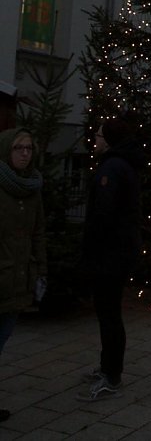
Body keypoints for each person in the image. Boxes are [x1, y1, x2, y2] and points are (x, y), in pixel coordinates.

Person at [78, 117, 144, 401]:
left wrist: (91, 249)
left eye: (99, 136)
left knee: (109, 314)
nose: (94, 139)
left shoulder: (112, 168)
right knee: (109, 313)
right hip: (118, 252)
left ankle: (112, 375)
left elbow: (103, 215)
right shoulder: (121, 164)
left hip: (110, 254)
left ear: (109, 141)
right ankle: (108, 367)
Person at [0, 127, 47, 423]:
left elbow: (38, 232)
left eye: (29, 148)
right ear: (7, 150)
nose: (25, 153)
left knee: (2, 340)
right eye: (19, 148)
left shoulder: (33, 187)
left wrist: (41, 270)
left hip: (19, 279)